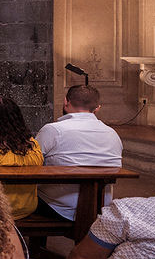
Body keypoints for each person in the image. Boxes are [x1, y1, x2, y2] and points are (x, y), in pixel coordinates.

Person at [36, 85, 122, 221]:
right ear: (97, 108)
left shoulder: (53, 130)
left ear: (66, 102)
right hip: (101, 207)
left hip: (58, 207)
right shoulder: (112, 134)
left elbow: (32, 161)